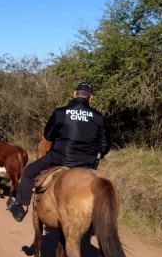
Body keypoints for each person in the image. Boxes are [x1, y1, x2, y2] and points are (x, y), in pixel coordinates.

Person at [7, 81, 110, 222]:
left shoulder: (60, 113)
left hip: (60, 158)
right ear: (91, 97)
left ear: (74, 94)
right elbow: (105, 145)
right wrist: (96, 156)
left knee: (29, 172)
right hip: (87, 162)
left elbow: (48, 135)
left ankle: (20, 206)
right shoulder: (98, 117)